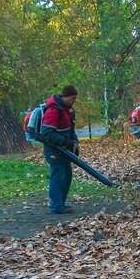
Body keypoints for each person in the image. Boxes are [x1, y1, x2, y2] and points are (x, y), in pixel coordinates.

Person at [40, 85, 79, 214]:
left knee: (67, 177)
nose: (74, 101)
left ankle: (60, 204)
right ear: (66, 97)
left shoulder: (67, 111)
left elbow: (70, 130)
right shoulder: (53, 110)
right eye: (73, 98)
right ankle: (56, 206)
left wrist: (74, 142)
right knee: (57, 177)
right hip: (54, 150)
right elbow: (47, 133)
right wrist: (65, 142)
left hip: (64, 150)